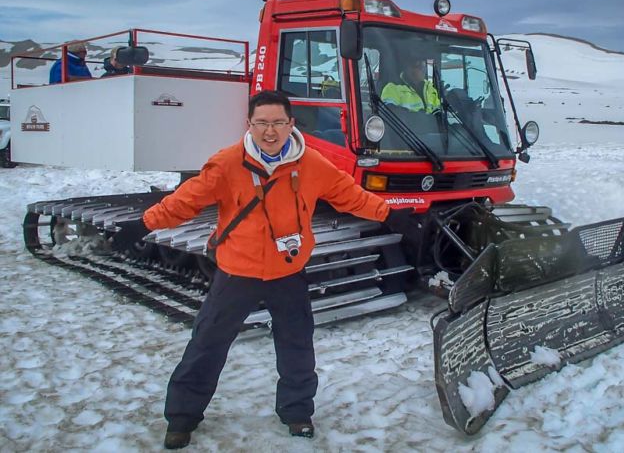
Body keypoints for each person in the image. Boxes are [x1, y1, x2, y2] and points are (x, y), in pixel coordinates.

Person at [112, 90, 411, 450]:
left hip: (288, 271)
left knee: (297, 345)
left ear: (291, 124)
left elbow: (350, 195)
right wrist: (144, 223)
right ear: (249, 124)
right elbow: (186, 201)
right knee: (207, 344)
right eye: (262, 123)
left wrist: (389, 214)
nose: (270, 131)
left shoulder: (312, 164)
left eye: (278, 123)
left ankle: (297, 411)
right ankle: (182, 417)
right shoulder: (227, 163)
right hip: (238, 272)